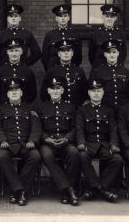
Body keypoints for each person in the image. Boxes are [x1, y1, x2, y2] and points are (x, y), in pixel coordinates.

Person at [0, 78, 41, 206]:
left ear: (21, 93)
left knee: (35, 156)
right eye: (11, 91)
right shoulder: (0, 109)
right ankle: (20, 190)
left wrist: (32, 140)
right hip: (7, 144)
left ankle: (19, 191)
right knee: (2, 157)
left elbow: (36, 126)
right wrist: (2, 140)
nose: (14, 92)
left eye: (16, 90)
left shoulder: (30, 108)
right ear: (7, 94)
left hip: (25, 144)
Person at [76, 78, 123, 203]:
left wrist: (113, 144)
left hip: (104, 145)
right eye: (93, 91)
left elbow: (113, 129)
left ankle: (97, 188)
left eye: (99, 91)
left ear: (103, 92)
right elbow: (79, 129)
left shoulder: (109, 110)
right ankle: (102, 190)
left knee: (117, 159)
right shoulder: (82, 110)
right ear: (89, 93)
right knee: (81, 156)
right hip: (88, 144)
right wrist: (81, 143)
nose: (96, 93)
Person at [37, 76, 80, 206]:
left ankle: (65, 190)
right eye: (52, 89)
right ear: (48, 91)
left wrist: (66, 139)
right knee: (46, 155)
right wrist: (46, 139)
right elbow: (37, 129)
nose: (55, 91)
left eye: (58, 88)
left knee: (74, 153)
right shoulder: (41, 107)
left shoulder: (71, 107)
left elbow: (75, 128)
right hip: (47, 143)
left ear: (62, 90)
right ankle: (68, 190)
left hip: (65, 141)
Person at [40, 39, 87, 107]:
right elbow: (44, 94)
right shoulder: (52, 71)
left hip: (76, 109)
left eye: (68, 50)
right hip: (58, 109)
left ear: (72, 53)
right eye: (63, 51)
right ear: (59, 54)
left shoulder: (79, 71)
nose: (66, 53)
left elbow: (85, 92)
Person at [89, 39, 129, 111]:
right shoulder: (97, 71)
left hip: (121, 109)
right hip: (104, 109)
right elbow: (91, 90)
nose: (112, 55)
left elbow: (128, 92)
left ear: (118, 53)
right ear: (105, 54)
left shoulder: (125, 71)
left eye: (114, 52)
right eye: (109, 52)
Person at [0, 38, 37, 104]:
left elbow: (32, 93)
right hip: (4, 109)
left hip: (23, 108)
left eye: (16, 51)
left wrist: (25, 105)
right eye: (11, 51)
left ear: (21, 52)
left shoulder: (28, 71)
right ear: (7, 52)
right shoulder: (0, 71)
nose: (14, 54)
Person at [41, 4, 82, 71]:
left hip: (71, 70)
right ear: (56, 18)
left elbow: (78, 56)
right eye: (60, 16)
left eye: (65, 16)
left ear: (69, 18)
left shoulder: (75, 34)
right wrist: (50, 70)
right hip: (53, 69)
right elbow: (45, 56)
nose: (63, 18)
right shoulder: (50, 35)